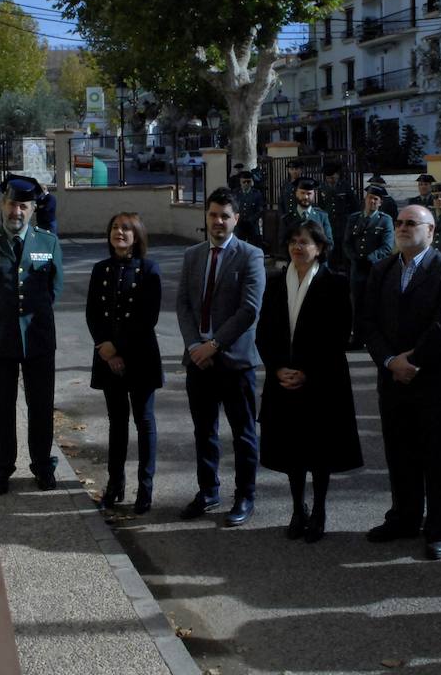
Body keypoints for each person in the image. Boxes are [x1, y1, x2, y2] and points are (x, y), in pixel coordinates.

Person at [361, 205, 441, 561]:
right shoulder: (383, 269)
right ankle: (404, 518)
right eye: (400, 223)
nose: (403, 228)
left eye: (412, 223)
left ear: (431, 230)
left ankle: (440, 529)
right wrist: (391, 361)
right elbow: (369, 322)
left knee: (437, 457)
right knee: (400, 453)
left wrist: (413, 360)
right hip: (393, 379)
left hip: (433, 380)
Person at [257, 220, 362, 543]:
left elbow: (338, 334)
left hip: (321, 380)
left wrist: (307, 371)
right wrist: (277, 368)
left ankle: (319, 509)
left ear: (320, 247)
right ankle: (297, 508)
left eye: (304, 242)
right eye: (292, 241)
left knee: (320, 449)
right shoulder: (275, 282)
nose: (297, 247)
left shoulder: (335, 283)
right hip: (283, 378)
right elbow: (265, 332)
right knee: (291, 449)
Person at [0, 175, 64, 493]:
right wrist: (0, 313)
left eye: (23, 205)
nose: (16, 211)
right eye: (11, 204)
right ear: (3, 205)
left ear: (33, 209)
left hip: (38, 338)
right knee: (0, 406)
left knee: (40, 405)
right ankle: (2, 467)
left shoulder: (47, 242)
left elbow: (54, 287)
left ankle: (42, 466)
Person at [175, 187, 265, 527]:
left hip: (234, 361)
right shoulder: (193, 255)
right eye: (213, 215)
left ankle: (245, 495)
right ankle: (208, 490)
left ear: (236, 219)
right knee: (204, 431)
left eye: (225, 216)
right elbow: (183, 304)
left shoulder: (250, 255)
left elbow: (249, 310)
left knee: (243, 433)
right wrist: (194, 346)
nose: (218, 221)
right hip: (198, 361)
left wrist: (213, 345)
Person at [85, 212, 163, 514]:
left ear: (137, 235)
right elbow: (92, 312)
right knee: (116, 423)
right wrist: (105, 349)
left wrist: (118, 347)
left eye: (126, 229)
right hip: (107, 358)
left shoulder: (149, 269)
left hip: (140, 357)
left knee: (144, 421)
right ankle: (115, 485)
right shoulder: (100, 269)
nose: (119, 232)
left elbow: (148, 318)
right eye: (115, 227)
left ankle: (145, 488)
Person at [342, 185, 395, 348]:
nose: (372, 201)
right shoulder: (354, 218)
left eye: (376, 199)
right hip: (357, 269)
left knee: (376, 304)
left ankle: (376, 339)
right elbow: (347, 243)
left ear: (380, 203)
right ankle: (357, 338)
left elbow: (387, 246)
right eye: (370, 198)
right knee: (357, 304)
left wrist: (371, 258)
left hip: (375, 269)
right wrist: (355, 258)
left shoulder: (385, 220)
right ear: (365, 199)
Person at [318, 162, 356, 272]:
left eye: (332, 177)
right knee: (331, 251)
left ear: (338, 175)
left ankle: (348, 275)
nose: (330, 180)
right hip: (329, 224)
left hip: (344, 224)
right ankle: (332, 274)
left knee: (346, 251)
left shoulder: (345, 186)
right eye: (328, 178)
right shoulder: (322, 187)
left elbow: (354, 205)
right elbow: (321, 207)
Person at [281, 177, 333, 246]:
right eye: (302, 193)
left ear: (314, 194)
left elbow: (329, 243)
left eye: (309, 194)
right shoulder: (287, 219)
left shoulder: (322, 217)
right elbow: (282, 244)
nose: (306, 197)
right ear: (296, 193)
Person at [234, 172, 265, 247]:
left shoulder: (257, 194)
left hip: (252, 224)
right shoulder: (236, 193)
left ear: (252, 182)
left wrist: (252, 219)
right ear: (240, 182)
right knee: (238, 246)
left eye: (248, 181)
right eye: (244, 182)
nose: (246, 184)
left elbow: (260, 210)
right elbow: (232, 208)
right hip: (239, 224)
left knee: (253, 246)